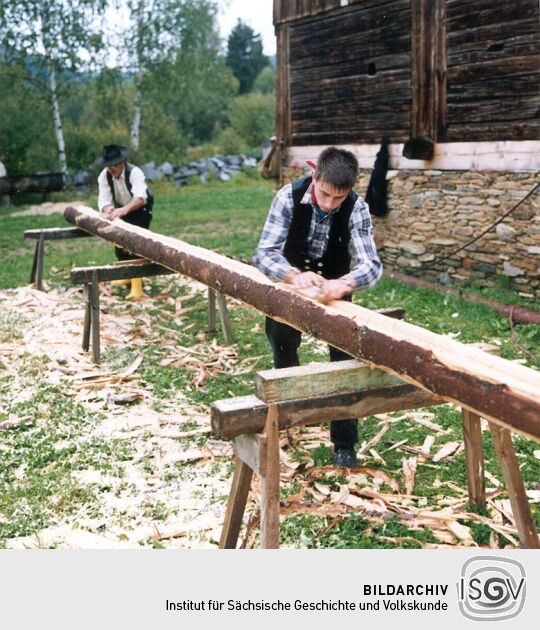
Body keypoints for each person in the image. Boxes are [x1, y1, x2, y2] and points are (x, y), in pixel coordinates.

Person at [253, 146, 383, 467]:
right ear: (315, 175)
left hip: (335, 290)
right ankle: (288, 416)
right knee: (283, 346)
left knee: (344, 362)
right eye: (324, 194)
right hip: (291, 284)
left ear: (350, 189)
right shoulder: (288, 196)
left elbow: (372, 264)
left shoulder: (357, 208)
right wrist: (293, 275)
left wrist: (345, 283)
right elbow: (265, 252)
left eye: (337, 198)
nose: (328, 204)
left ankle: (344, 442)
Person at [96, 144, 153, 299]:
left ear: (122, 163)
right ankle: (126, 276)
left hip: (140, 208)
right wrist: (107, 207)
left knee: (135, 244)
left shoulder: (135, 172)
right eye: (108, 166)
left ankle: (137, 287)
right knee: (119, 242)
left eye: (114, 165)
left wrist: (124, 210)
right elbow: (104, 197)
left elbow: (140, 198)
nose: (111, 169)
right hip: (122, 208)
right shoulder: (104, 176)